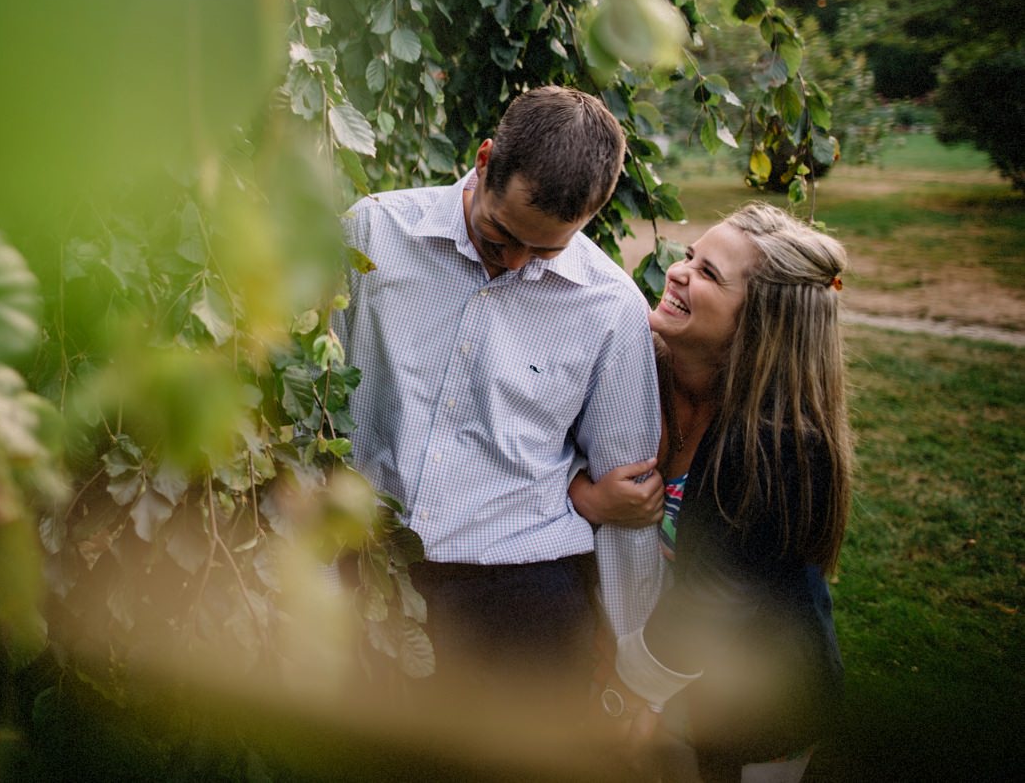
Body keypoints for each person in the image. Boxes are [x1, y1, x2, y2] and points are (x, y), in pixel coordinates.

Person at [336, 86, 662, 694]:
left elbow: (628, 500)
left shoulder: (612, 310)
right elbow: (308, 419)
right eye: (499, 235)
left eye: (545, 250)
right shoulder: (372, 234)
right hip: (364, 576)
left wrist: (630, 661)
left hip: (525, 602)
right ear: (484, 161)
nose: (514, 263)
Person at [573, 203, 852, 782]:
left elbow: (714, 596)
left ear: (756, 325)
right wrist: (587, 496)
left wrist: (634, 692)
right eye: (691, 256)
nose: (676, 271)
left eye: (708, 275)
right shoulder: (640, 372)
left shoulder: (783, 447)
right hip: (657, 655)